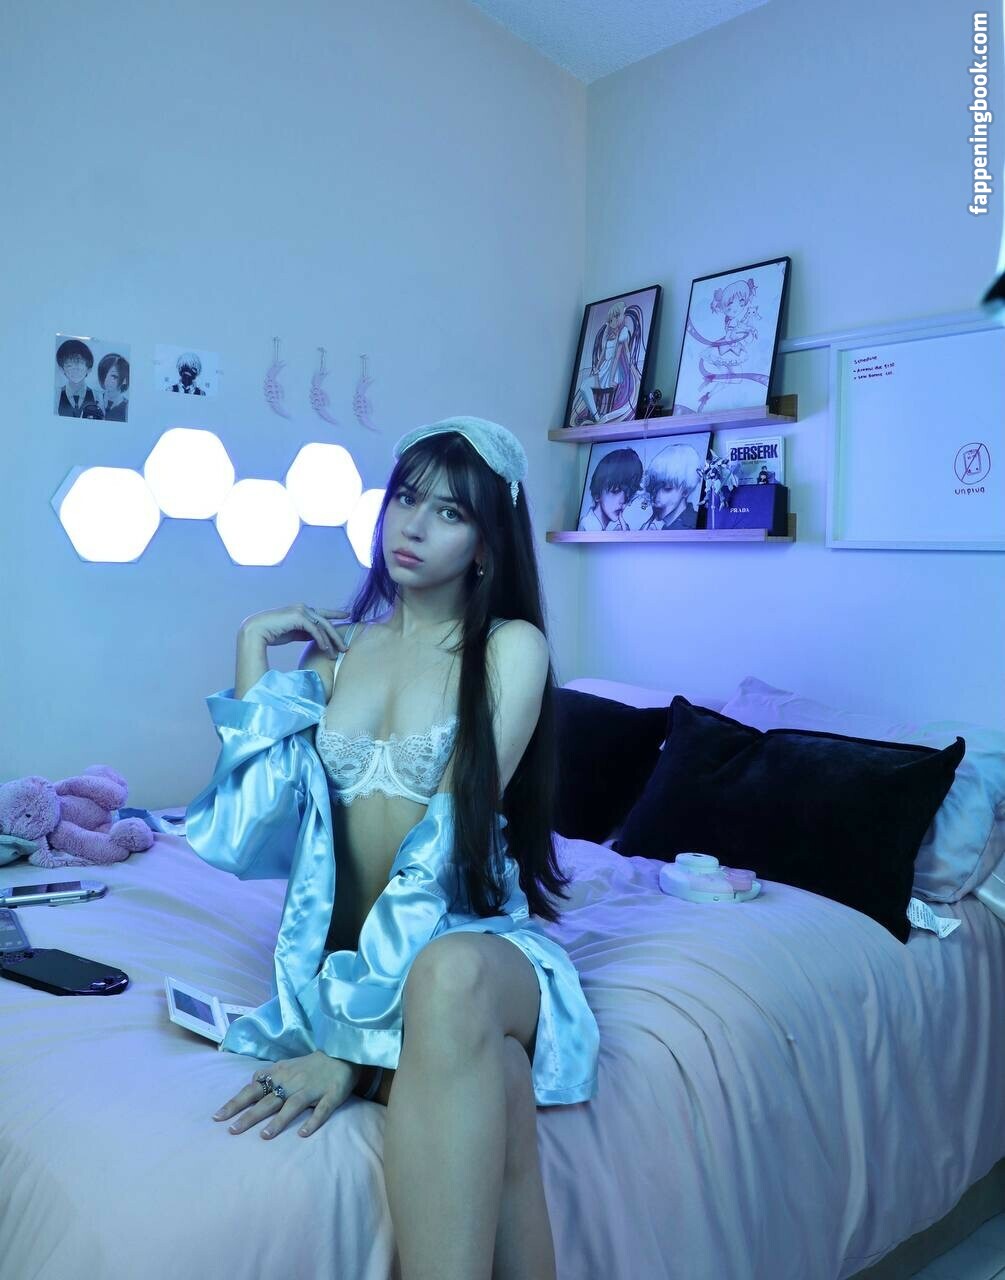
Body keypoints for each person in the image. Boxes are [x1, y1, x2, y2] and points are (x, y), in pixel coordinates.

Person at [185, 415, 599, 1280]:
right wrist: (252, 646)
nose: (411, 526)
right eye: (406, 499)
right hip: (350, 969)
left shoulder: (509, 649)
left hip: (469, 948)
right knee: (499, 1087)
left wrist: (347, 1048)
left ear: (485, 544)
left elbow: (445, 847)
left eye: (449, 513)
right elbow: (249, 826)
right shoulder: (339, 655)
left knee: (447, 978)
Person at [639, 441, 703, 530]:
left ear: (685, 491)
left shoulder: (695, 524)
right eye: (654, 486)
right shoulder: (662, 526)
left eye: (667, 488)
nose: (656, 496)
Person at [578, 447, 642, 530]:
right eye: (615, 491)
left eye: (628, 494)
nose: (623, 501)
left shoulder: (596, 528)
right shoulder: (587, 527)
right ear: (597, 494)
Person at [55, 338, 99, 417]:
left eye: (80, 364)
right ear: (62, 369)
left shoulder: (97, 395)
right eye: (69, 365)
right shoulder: (56, 394)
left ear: (89, 369)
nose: (75, 370)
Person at [98, 353, 130, 421]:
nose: (106, 379)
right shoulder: (95, 398)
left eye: (113, 376)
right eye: (105, 374)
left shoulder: (128, 407)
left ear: (124, 380)